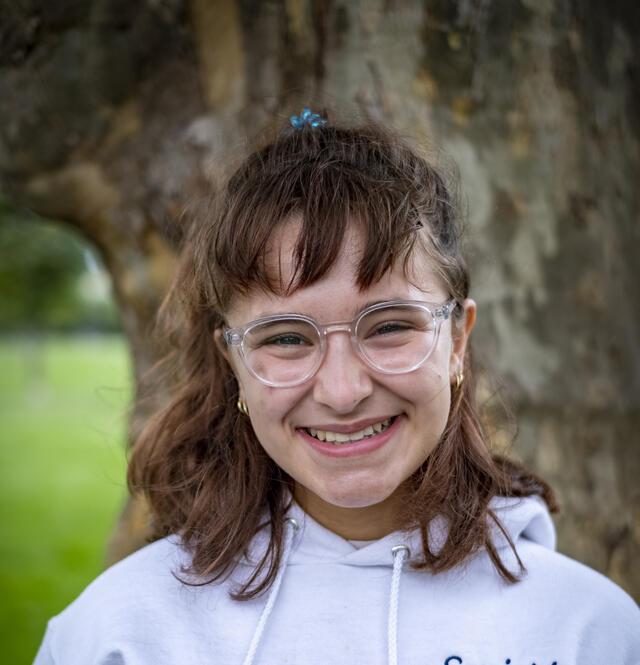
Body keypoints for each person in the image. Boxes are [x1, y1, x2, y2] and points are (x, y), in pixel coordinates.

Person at [34, 109, 640, 665]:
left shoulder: (590, 631)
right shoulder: (116, 633)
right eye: (287, 339)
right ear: (232, 362)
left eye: (390, 326)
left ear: (457, 338)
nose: (344, 391)